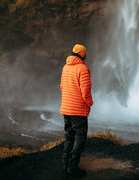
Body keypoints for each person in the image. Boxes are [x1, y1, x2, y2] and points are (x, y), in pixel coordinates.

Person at [60, 43, 93, 177]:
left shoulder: (65, 67)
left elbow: (62, 86)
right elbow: (85, 91)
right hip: (78, 110)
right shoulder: (83, 69)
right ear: (83, 55)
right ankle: (73, 167)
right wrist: (90, 103)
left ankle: (65, 164)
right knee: (80, 138)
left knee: (69, 136)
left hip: (66, 108)